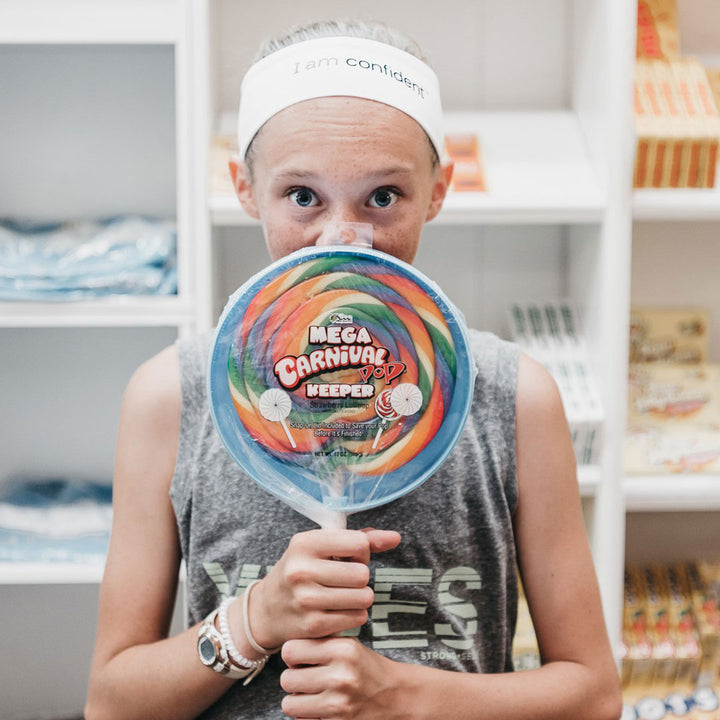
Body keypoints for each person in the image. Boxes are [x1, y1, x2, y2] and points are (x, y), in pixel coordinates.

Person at [85, 19, 622, 720]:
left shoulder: (511, 398)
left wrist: (401, 694)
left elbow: (593, 695)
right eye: (302, 196)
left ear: (438, 189)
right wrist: (252, 621)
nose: (343, 236)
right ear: (245, 189)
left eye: (383, 197)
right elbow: (112, 703)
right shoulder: (174, 396)